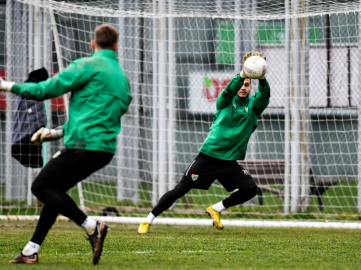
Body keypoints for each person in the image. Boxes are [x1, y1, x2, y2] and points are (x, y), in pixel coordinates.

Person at [1, 24, 132, 265]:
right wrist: (55, 133)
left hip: (82, 146)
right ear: (116, 46)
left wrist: (8, 86)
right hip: (104, 150)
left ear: (93, 45)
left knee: (40, 187)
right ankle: (31, 250)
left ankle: (92, 226)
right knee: (55, 191)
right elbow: (101, 117)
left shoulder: (88, 65)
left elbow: (46, 89)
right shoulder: (123, 79)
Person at [138, 52, 270, 234]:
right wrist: (243, 73)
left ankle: (216, 208)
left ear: (250, 88)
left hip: (229, 162)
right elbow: (230, 89)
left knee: (250, 189)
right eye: (242, 83)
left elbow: (264, 95)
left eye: (247, 85)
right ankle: (148, 220)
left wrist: (261, 76)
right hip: (208, 158)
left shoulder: (254, 107)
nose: (243, 87)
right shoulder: (225, 101)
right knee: (180, 190)